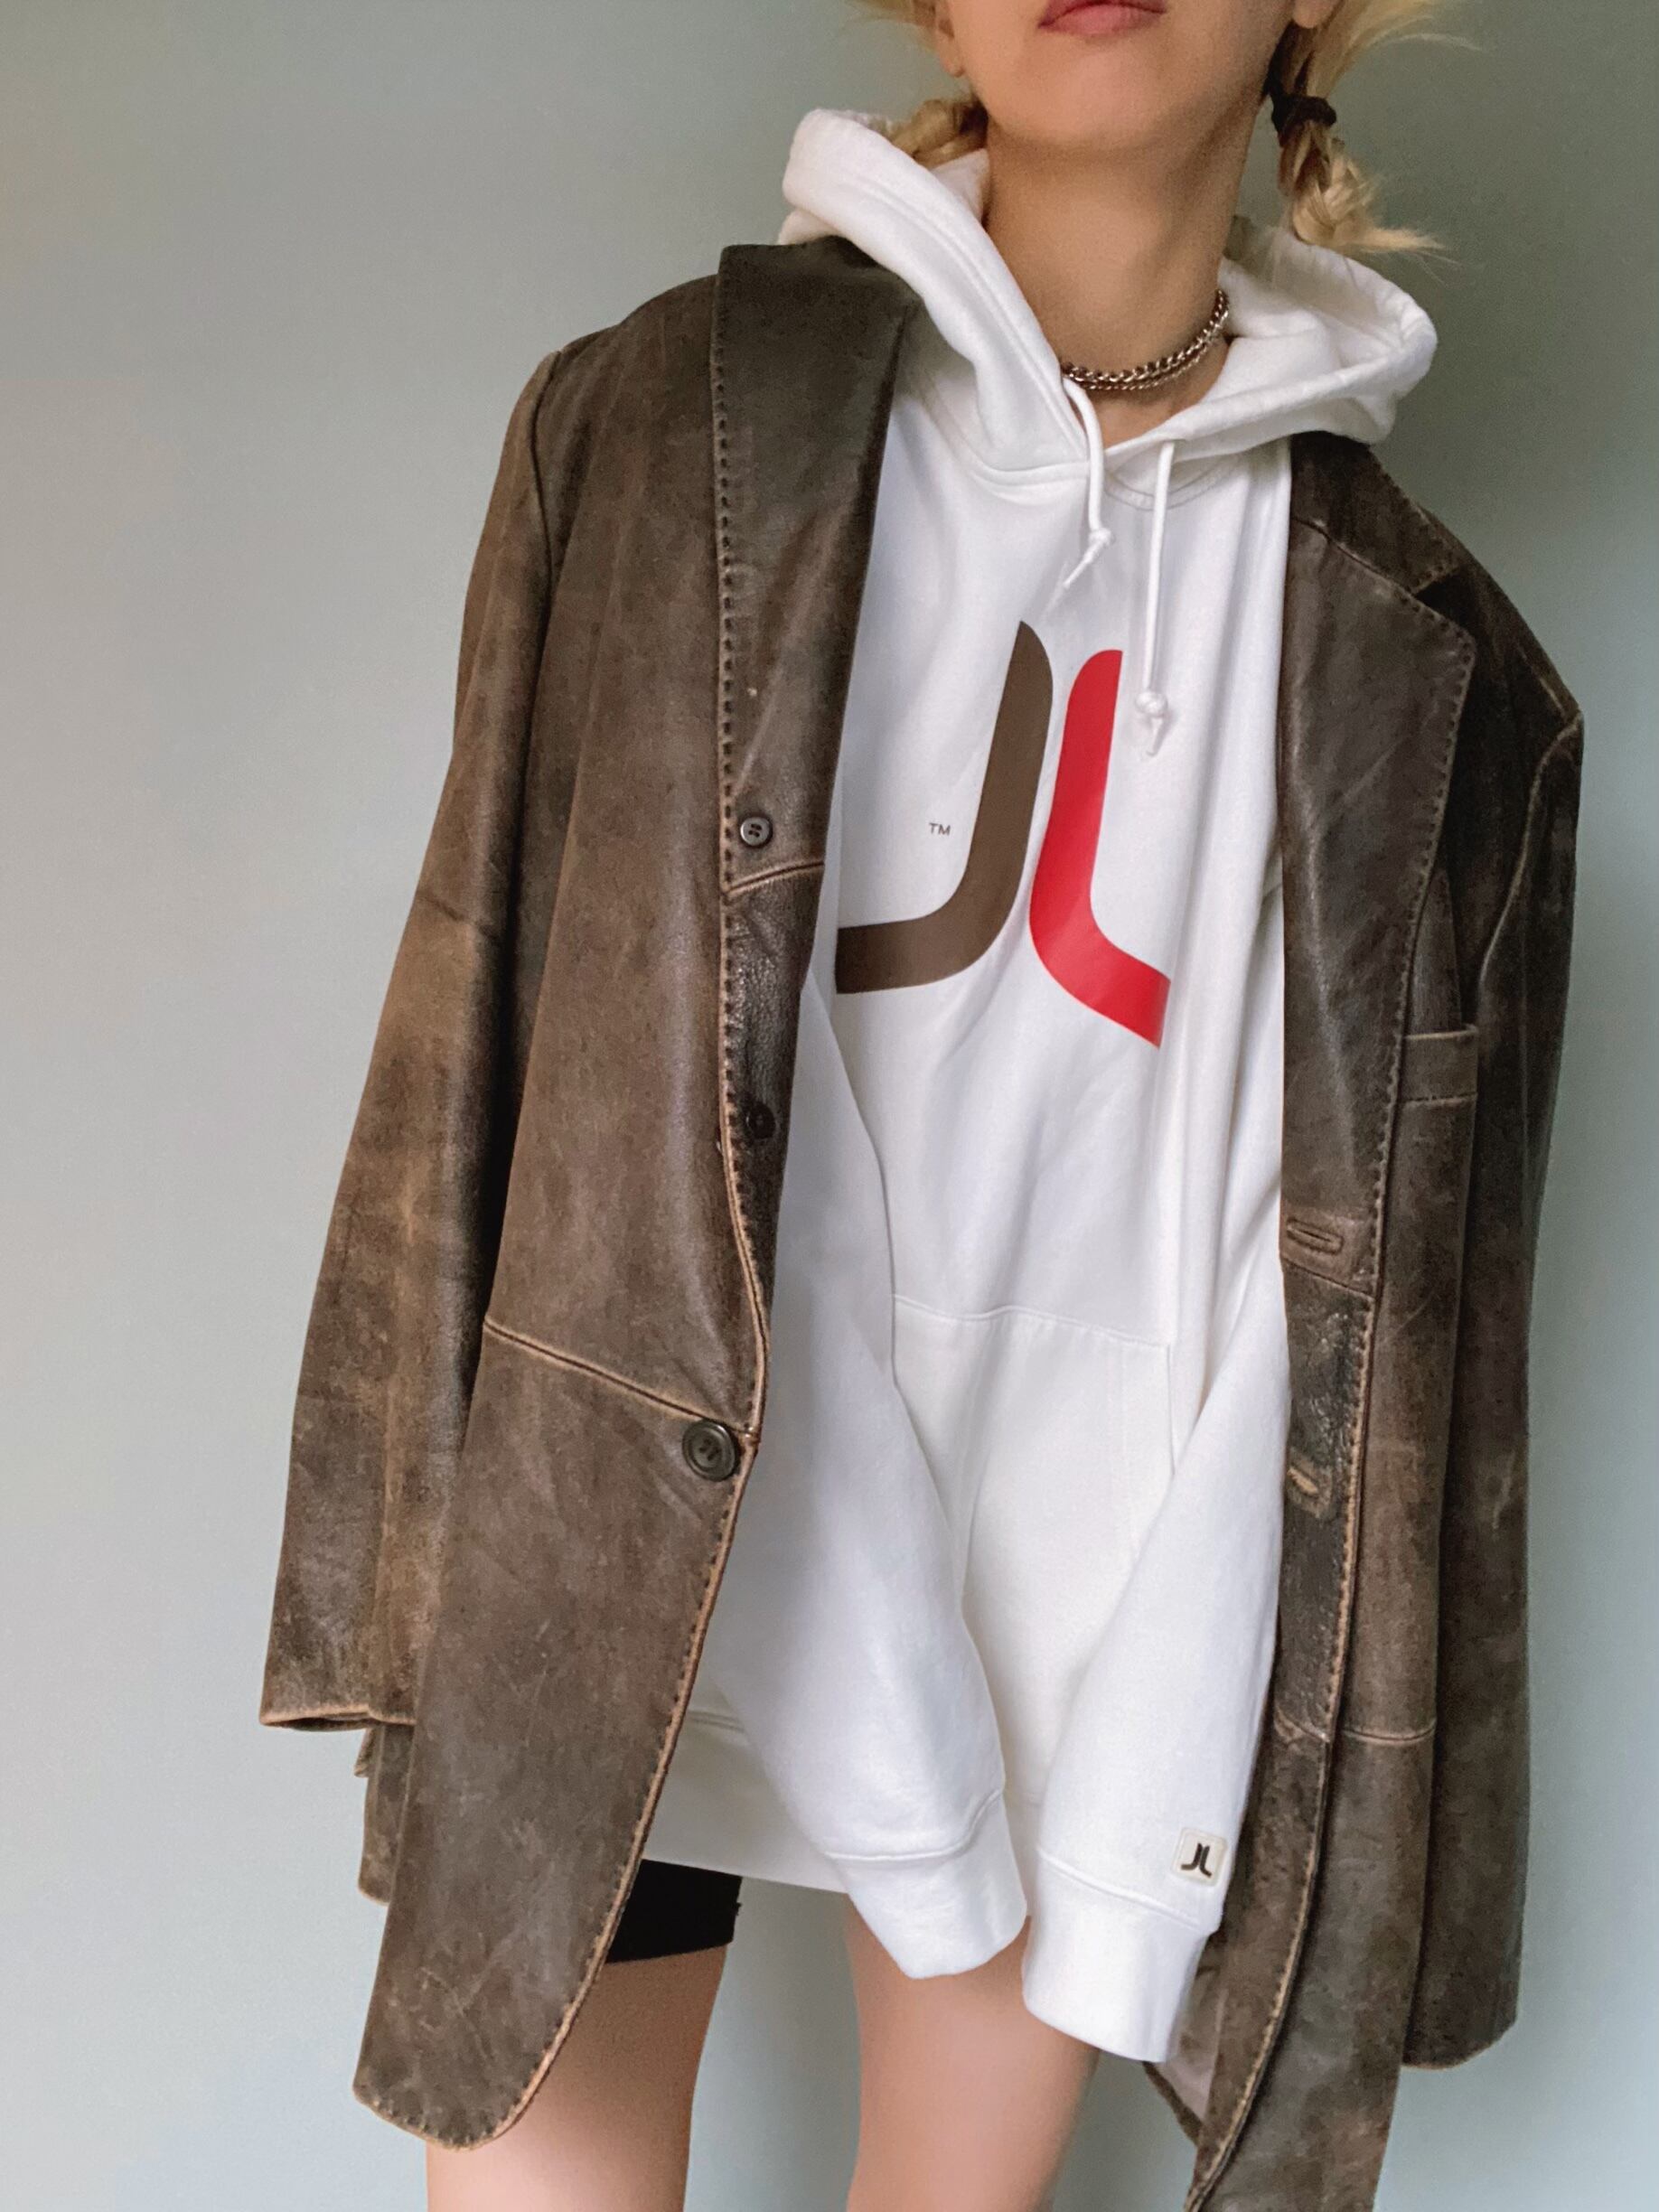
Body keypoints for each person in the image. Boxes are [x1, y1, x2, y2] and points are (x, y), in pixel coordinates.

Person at [258, 5, 1584, 2209]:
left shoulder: (1442, 664)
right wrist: (396, 1588)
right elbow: (478, 1022)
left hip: (1084, 1614)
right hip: (635, 1530)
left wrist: (1239, 1758)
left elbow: (1399, 1347)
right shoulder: (662, 426)